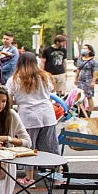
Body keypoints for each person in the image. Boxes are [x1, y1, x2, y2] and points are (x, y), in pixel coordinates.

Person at [6, 52, 58, 186]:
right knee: (50, 146)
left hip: (27, 115)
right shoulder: (45, 77)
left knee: (28, 147)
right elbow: (50, 93)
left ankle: (30, 179)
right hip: (47, 114)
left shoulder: (14, 79)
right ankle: (57, 176)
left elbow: (10, 101)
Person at [74, 44, 98, 114]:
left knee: (89, 96)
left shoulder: (93, 60)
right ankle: (81, 110)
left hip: (88, 80)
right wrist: (76, 78)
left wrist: (93, 81)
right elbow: (78, 69)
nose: (83, 50)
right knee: (80, 96)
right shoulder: (80, 59)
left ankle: (90, 111)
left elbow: (95, 71)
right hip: (80, 79)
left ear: (89, 50)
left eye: (85, 48)